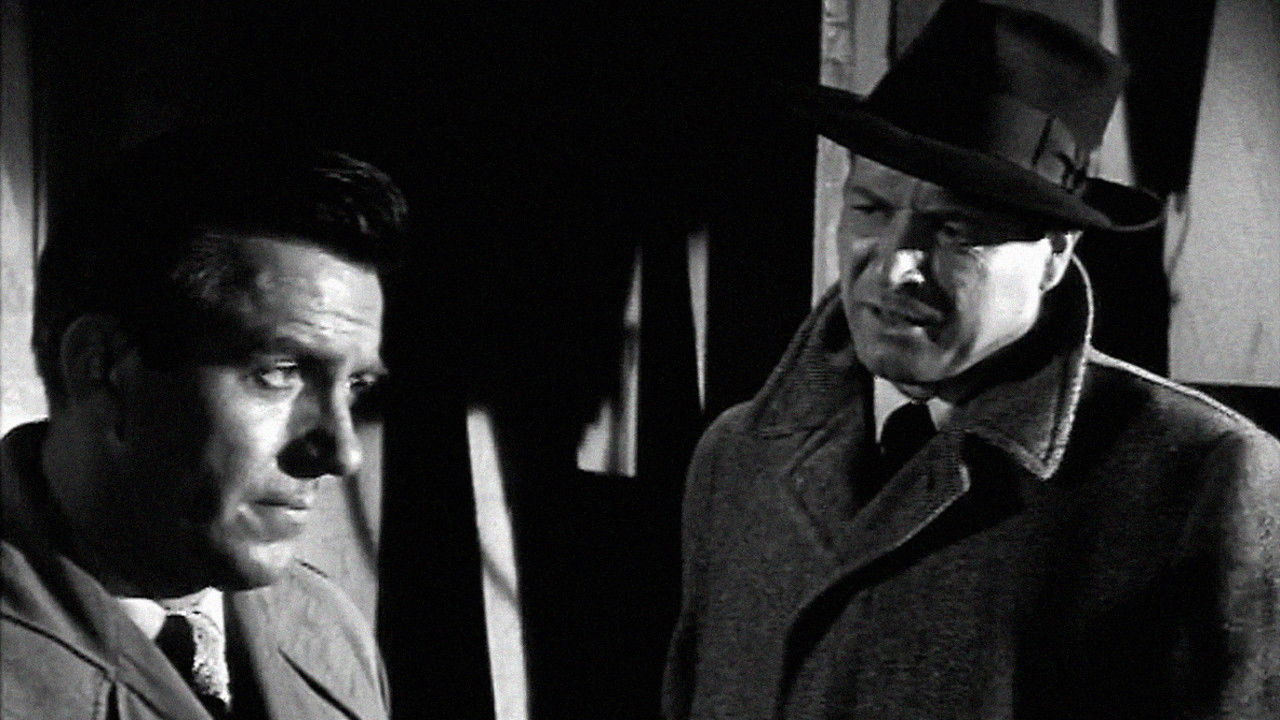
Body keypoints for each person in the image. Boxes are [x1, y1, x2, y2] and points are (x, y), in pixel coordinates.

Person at [662, 3, 1280, 718]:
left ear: (1054, 254)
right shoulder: (737, 459)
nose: (894, 268)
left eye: (953, 228)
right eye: (870, 209)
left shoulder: (1198, 480)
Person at [1, 129, 406, 720]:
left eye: (355, 385)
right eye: (280, 372)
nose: (344, 452)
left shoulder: (330, 631)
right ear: (103, 369)